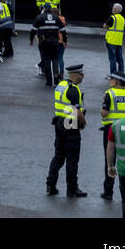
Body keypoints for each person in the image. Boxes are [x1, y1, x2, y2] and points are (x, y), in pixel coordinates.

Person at [48, 63, 87, 198]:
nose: (83, 77)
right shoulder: (73, 89)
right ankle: (72, 188)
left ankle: (50, 185)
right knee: (72, 158)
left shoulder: (61, 85)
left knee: (59, 156)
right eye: (81, 75)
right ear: (76, 75)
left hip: (59, 121)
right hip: (70, 123)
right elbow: (77, 112)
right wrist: (84, 122)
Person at [99, 71, 125, 200]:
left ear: (117, 81)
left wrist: (103, 104)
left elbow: (104, 113)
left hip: (111, 130)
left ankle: (108, 192)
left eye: (111, 79)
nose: (109, 81)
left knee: (110, 160)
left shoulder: (109, 93)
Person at [30, 6, 62, 88]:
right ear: (50, 9)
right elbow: (63, 29)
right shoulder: (56, 17)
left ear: (44, 9)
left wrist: (31, 40)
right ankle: (56, 76)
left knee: (46, 60)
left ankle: (49, 81)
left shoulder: (40, 17)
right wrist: (64, 39)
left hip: (44, 42)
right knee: (55, 59)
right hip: (55, 42)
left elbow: (33, 29)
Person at [104, 3, 125, 78]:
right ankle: (121, 74)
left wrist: (105, 26)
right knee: (120, 58)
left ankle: (113, 75)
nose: (112, 9)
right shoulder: (122, 18)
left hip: (111, 40)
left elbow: (105, 26)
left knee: (112, 59)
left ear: (116, 10)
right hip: (119, 41)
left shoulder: (113, 17)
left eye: (113, 8)